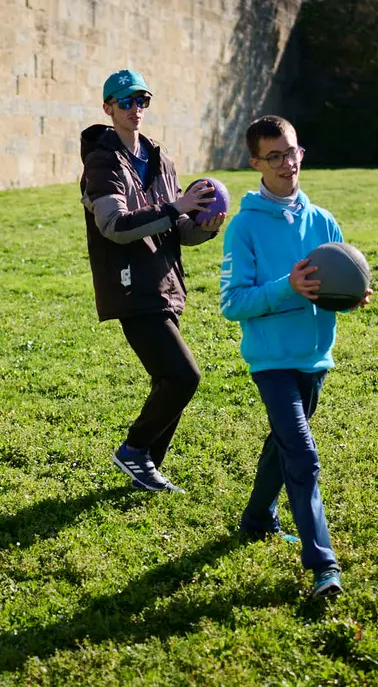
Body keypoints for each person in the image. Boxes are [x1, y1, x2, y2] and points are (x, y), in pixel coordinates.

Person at [218, 115, 372, 598]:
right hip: (272, 362)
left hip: (314, 357)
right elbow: (232, 303)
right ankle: (324, 565)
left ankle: (257, 516)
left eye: (293, 152)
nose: (289, 164)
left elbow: (334, 286)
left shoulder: (323, 220)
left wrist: (351, 295)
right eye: (276, 157)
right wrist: (290, 286)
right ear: (256, 163)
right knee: (302, 455)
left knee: (283, 445)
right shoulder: (243, 228)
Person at [79, 68, 223, 494]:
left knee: (170, 379)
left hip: (165, 283)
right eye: (125, 102)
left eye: (142, 100)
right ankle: (134, 450)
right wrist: (176, 206)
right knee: (184, 377)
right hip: (129, 287)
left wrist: (206, 226)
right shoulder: (101, 161)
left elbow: (178, 229)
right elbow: (114, 224)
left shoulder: (162, 159)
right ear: (108, 108)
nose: (135, 109)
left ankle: (145, 468)